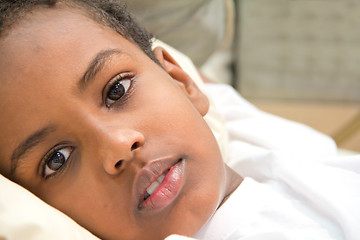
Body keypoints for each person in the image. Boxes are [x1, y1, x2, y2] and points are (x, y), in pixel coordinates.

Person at [0, 1, 359, 240]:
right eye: (57, 159)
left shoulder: (247, 137)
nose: (118, 144)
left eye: (116, 91)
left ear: (183, 82)